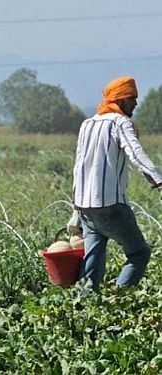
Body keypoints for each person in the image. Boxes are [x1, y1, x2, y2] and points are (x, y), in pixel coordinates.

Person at [72, 76, 162, 291]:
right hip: (110, 205)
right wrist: (159, 181)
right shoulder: (120, 123)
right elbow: (136, 154)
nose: (136, 103)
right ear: (120, 100)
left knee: (93, 262)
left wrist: (75, 209)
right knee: (139, 253)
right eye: (132, 98)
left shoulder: (88, 124)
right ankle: (119, 299)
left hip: (86, 207)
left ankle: (85, 306)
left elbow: (78, 166)